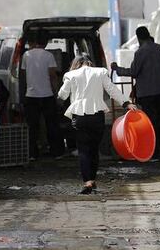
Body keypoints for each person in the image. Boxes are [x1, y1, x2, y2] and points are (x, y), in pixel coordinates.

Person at [58, 54, 135, 194]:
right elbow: (112, 90)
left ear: (76, 63)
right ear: (90, 62)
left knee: (83, 150)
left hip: (79, 117)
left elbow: (62, 95)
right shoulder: (100, 72)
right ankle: (92, 180)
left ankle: (87, 182)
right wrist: (127, 103)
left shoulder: (71, 75)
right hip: (97, 116)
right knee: (94, 149)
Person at [112, 27, 160, 161]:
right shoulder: (159, 48)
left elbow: (133, 72)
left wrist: (117, 69)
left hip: (148, 95)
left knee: (151, 124)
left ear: (138, 37)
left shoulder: (141, 52)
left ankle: (155, 154)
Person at [21, 35, 63, 159]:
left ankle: (32, 154)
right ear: (45, 43)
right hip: (47, 95)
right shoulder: (49, 56)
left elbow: (23, 75)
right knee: (52, 125)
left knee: (32, 126)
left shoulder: (26, 55)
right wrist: (56, 93)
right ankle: (56, 152)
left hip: (31, 95)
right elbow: (53, 76)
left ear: (33, 42)